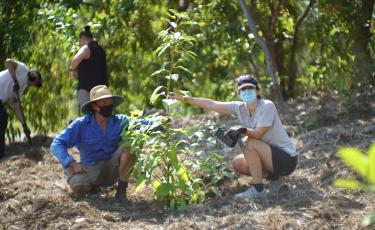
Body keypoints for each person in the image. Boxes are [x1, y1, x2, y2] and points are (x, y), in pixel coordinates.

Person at [167, 74, 297, 200]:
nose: (246, 91)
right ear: (239, 93)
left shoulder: (267, 106)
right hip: (269, 157)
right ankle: (275, 178)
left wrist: (241, 130)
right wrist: (185, 98)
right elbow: (212, 104)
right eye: (243, 89)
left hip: (286, 160)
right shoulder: (240, 107)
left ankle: (258, 190)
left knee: (248, 142)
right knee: (238, 163)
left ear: (257, 90)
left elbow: (258, 134)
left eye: (250, 88)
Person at [50, 85, 150, 203]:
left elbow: (144, 123)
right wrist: (71, 164)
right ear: (94, 106)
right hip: (92, 168)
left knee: (130, 145)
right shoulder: (81, 124)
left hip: (114, 166)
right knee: (78, 186)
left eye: (109, 102)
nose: (107, 105)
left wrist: (162, 121)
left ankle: (121, 191)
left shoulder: (120, 121)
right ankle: (94, 188)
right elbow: (56, 143)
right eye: (103, 102)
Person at [0, 59, 42, 159]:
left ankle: (1, 153)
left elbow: (16, 107)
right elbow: (8, 62)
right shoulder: (22, 68)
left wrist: (24, 124)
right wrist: (14, 80)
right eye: (35, 78)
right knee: (2, 118)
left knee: (3, 120)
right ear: (33, 72)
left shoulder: (21, 89)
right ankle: (1, 154)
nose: (33, 81)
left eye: (35, 82)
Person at [70, 25, 108, 113]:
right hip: (102, 91)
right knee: (102, 116)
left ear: (83, 38)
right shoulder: (101, 50)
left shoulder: (86, 48)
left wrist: (73, 70)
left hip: (87, 91)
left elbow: (74, 61)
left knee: (90, 117)